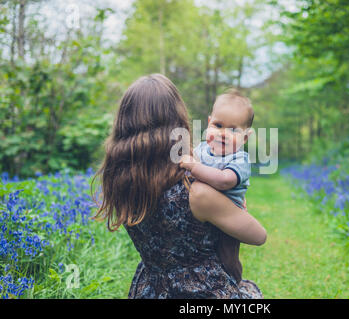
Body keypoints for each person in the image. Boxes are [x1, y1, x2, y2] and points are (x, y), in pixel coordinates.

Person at [93, 74, 266, 298]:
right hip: (203, 293)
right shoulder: (197, 192)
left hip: (149, 290)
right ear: (177, 123)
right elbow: (258, 236)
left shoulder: (120, 183)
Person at [180, 89, 254, 283]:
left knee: (227, 258)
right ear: (209, 123)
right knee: (202, 255)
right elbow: (185, 167)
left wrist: (194, 167)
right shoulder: (201, 149)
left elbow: (223, 180)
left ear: (245, 138)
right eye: (218, 125)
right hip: (203, 213)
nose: (223, 134)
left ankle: (234, 284)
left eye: (233, 130)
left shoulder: (240, 159)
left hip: (228, 216)